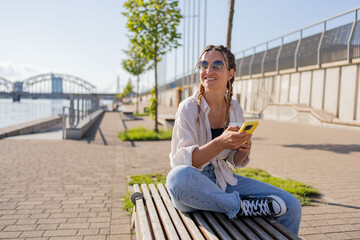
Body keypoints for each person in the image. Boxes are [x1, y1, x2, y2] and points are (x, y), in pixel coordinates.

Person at [166, 45, 302, 235]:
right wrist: (220, 142)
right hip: (194, 187)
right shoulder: (187, 108)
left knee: (292, 205)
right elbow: (186, 163)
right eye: (203, 65)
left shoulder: (234, 108)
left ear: (230, 73)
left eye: (217, 65)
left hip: (223, 180)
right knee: (176, 178)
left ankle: (239, 205)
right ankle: (240, 206)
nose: (208, 70)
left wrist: (242, 151)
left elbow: (234, 162)